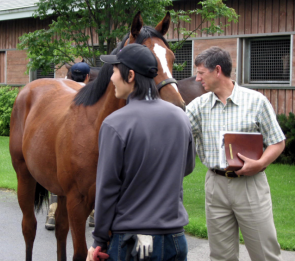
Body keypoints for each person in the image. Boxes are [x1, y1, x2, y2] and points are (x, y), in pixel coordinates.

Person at [86, 43, 195, 261]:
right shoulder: (181, 117)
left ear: (131, 75)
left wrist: (99, 241)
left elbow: (107, 187)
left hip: (131, 244)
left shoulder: (115, 123)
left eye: (115, 71)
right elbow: (187, 167)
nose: (111, 78)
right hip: (174, 239)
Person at [186, 46, 285, 261]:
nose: (197, 79)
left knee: (265, 254)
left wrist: (260, 164)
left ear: (217, 70)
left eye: (201, 73)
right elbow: (176, 132)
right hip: (215, 186)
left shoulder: (256, 101)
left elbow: (277, 142)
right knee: (221, 256)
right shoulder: (198, 107)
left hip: (251, 186)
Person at [45, 61, 92, 230]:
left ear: (70, 76)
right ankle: (93, 213)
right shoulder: (92, 97)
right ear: (87, 77)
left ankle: (52, 213)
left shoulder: (64, 97)